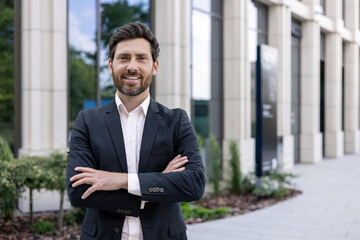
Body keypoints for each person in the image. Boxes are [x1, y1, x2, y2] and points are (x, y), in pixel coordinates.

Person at [66, 22, 206, 240]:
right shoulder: (87, 121)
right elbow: (77, 192)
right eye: (124, 58)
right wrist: (156, 185)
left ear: (155, 66)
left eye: (141, 58)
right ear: (111, 65)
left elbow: (194, 183)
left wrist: (121, 181)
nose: (132, 66)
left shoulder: (177, 120)